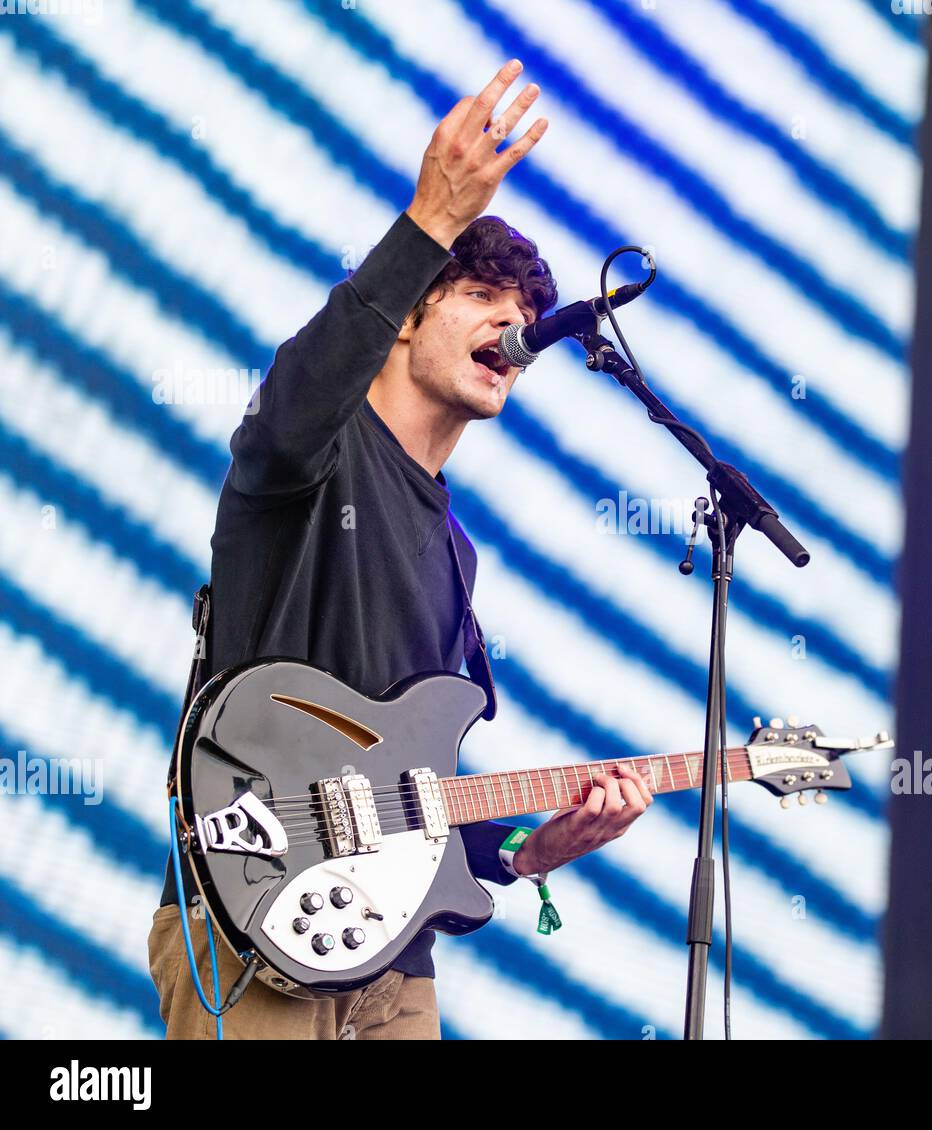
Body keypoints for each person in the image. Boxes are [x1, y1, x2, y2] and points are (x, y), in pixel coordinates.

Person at [147, 60, 653, 1040]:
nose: (513, 327)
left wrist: (537, 845)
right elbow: (292, 402)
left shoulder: (455, 551)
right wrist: (429, 220)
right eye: (479, 297)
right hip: (254, 931)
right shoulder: (310, 450)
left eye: (522, 315)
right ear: (407, 316)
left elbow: (414, 794)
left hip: (394, 966)